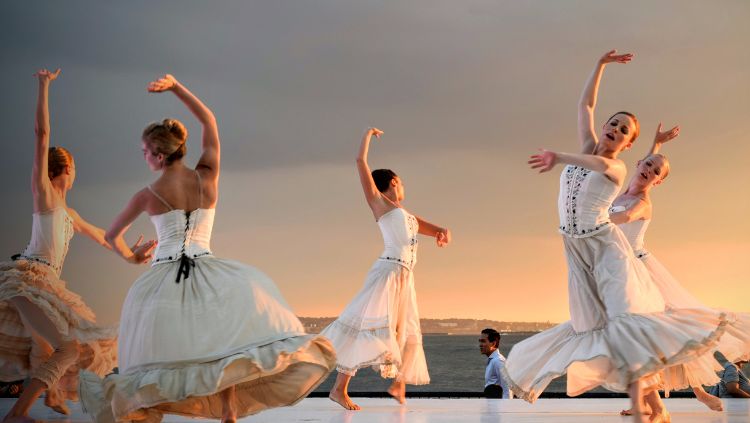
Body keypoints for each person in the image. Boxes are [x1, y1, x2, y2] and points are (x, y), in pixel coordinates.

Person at [79, 74, 336, 423]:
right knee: (221, 345)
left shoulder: (147, 195)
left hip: (164, 278)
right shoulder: (207, 175)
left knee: (170, 351)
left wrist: (133, 256)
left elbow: (112, 236)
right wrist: (176, 87)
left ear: (157, 154)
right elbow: (209, 120)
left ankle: (151, 408)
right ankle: (228, 409)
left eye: (144, 153)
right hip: (211, 269)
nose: (144, 158)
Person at [508, 50, 730, 423]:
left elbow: (600, 166)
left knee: (624, 326)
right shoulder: (588, 148)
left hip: (606, 248)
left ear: (629, 145)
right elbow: (586, 106)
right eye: (614, 123)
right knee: (593, 329)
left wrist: (558, 156)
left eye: (624, 131)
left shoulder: (615, 164)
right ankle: (656, 407)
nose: (615, 129)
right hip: (575, 253)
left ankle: (647, 411)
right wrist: (599, 65)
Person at [0, 69, 122, 423]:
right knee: (69, 347)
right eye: (73, 164)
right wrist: (43, 85)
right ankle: (18, 414)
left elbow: (103, 236)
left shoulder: (69, 212)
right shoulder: (45, 194)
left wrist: (134, 253)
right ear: (65, 167)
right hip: (28, 279)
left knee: (47, 347)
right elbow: (42, 135)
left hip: (46, 283)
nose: (75, 169)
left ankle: (52, 396)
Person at [611, 124, 750, 415]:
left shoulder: (641, 203)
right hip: (619, 273)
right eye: (647, 164)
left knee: (663, 336)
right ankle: (651, 399)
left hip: (641, 273)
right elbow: (645, 166)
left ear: (658, 182)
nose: (649, 169)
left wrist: (590, 216)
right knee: (639, 339)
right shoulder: (628, 186)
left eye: (656, 172)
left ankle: (688, 394)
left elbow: (622, 218)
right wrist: (656, 145)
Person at [321, 127, 451, 410]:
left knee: (402, 329)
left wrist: (441, 230)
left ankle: (397, 384)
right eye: (401, 183)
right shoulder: (379, 204)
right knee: (364, 327)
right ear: (393, 182)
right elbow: (360, 163)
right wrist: (367, 135)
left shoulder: (403, 213)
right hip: (388, 272)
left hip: (405, 277)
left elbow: (420, 224)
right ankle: (338, 389)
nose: (404, 187)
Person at [479, 328, 511, 399]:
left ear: (493, 343)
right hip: (493, 406)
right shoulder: (493, 360)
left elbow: (507, 390)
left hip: (498, 408)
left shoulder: (498, 361)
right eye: (480, 341)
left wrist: (506, 408)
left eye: (483, 341)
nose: (480, 345)